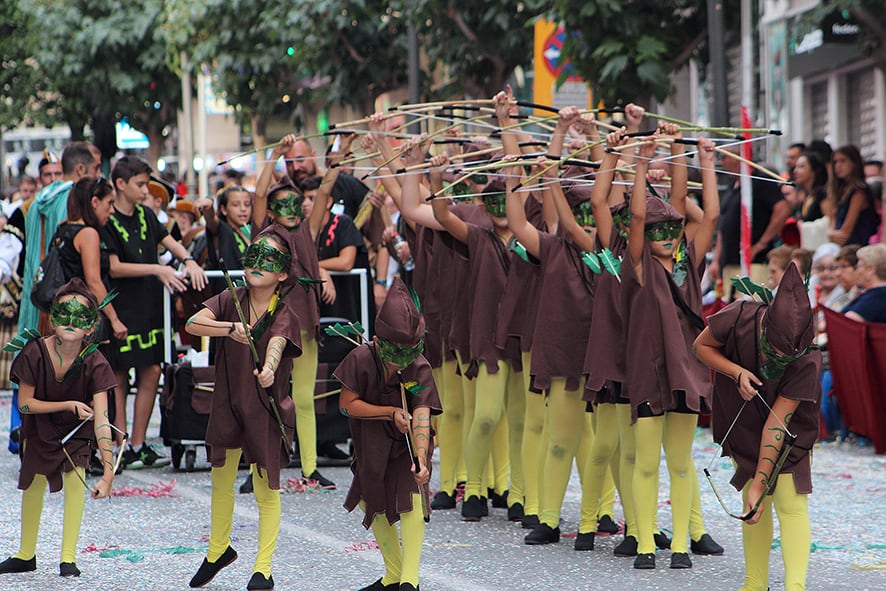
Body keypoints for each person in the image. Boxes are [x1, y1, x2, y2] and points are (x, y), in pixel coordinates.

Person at [622, 130, 720, 570]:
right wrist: (643, 162)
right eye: (656, 230)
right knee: (646, 462)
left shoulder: (688, 262)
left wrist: (702, 158)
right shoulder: (639, 266)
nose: (664, 234)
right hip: (647, 372)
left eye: (672, 229)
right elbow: (639, 216)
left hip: (686, 373)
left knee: (681, 462)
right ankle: (645, 542)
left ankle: (681, 544)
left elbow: (710, 214)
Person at [694, 262, 822, 591]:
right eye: (774, 352)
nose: (778, 360)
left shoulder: (807, 356)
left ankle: (796, 586)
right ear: (765, 325)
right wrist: (736, 371)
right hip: (743, 418)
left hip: (789, 427)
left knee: (790, 502)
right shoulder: (740, 314)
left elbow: (777, 426)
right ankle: (755, 582)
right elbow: (701, 347)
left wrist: (760, 483)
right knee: (753, 505)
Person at [185, 231, 300, 591]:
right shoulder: (230, 298)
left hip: (265, 407)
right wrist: (228, 328)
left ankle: (263, 568)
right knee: (221, 479)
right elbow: (192, 324)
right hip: (228, 403)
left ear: (282, 273)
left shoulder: (284, 312)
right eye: (253, 256)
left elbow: (277, 343)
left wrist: (268, 369)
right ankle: (218, 550)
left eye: (268, 260)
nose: (256, 265)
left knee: (266, 488)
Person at [0, 279, 117, 578]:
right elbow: (25, 404)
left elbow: (102, 420)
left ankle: (68, 557)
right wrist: (67, 405)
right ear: (52, 319)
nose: (71, 322)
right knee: (33, 484)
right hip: (40, 429)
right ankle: (26, 554)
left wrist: (108, 472)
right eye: (64, 314)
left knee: (77, 479)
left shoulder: (96, 362)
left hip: (76, 434)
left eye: (80, 317)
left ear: (90, 327)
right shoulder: (35, 352)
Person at [253, 134, 352, 489]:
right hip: (273, 327)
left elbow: (324, 190)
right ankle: (262, 468)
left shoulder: (308, 230)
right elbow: (260, 194)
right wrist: (275, 155)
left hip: (305, 327)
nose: (292, 209)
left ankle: (309, 467)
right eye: (283, 204)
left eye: (296, 202)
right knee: (268, 397)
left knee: (304, 398)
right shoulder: (265, 233)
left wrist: (339, 155)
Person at [335, 277, 441, 591]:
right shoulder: (361, 358)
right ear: (380, 342)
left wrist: (421, 457)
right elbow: (346, 405)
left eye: (412, 350)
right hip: (371, 443)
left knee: (410, 498)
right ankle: (393, 574)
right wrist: (389, 412)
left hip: (407, 443)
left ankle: (410, 581)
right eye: (398, 351)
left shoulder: (418, 366)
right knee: (373, 501)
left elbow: (423, 414)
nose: (405, 359)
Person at [106, 156, 207, 469]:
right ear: (120, 184)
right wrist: (157, 269)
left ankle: (139, 444)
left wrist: (188, 260)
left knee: (151, 370)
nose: (143, 190)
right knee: (120, 374)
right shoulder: (108, 220)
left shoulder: (146, 214)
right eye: (139, 185)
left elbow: (170, 242)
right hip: (121, 304)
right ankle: (119, 444)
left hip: (151, 304)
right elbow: (114, 267)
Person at [9, 142, 101, 455]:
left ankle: (22, 431)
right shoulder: (67, 199)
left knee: (33, 360)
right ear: (80, 170)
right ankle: (53, 436)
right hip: (64, 299)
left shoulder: (36, 201)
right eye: (95, 170)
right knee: (59, 367)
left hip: (39, 294)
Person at [709, 143, 788, 291]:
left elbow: (782, 209)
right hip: (730, 262)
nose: (721, 162)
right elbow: (723, 226)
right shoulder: (732, 184)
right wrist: (716, 260)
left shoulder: (760, 180)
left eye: (724, 157)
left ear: (738, 157)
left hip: (754, 262)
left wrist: (761, 244)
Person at [827, 145, 879, 247]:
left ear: (854, 163)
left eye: (843, 161)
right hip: (841, 246)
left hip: (857, 246)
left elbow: (845, 234)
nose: (838, 166)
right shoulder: (839, 191)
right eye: (835, 162)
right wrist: (831, 233)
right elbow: (831, 223)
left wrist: (831, 234)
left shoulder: (859, 192)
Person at [843, 243, 886, 323]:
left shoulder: (878, 296)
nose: (856, 271)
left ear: (870, 270)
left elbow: (847, 322)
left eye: (859, 267)